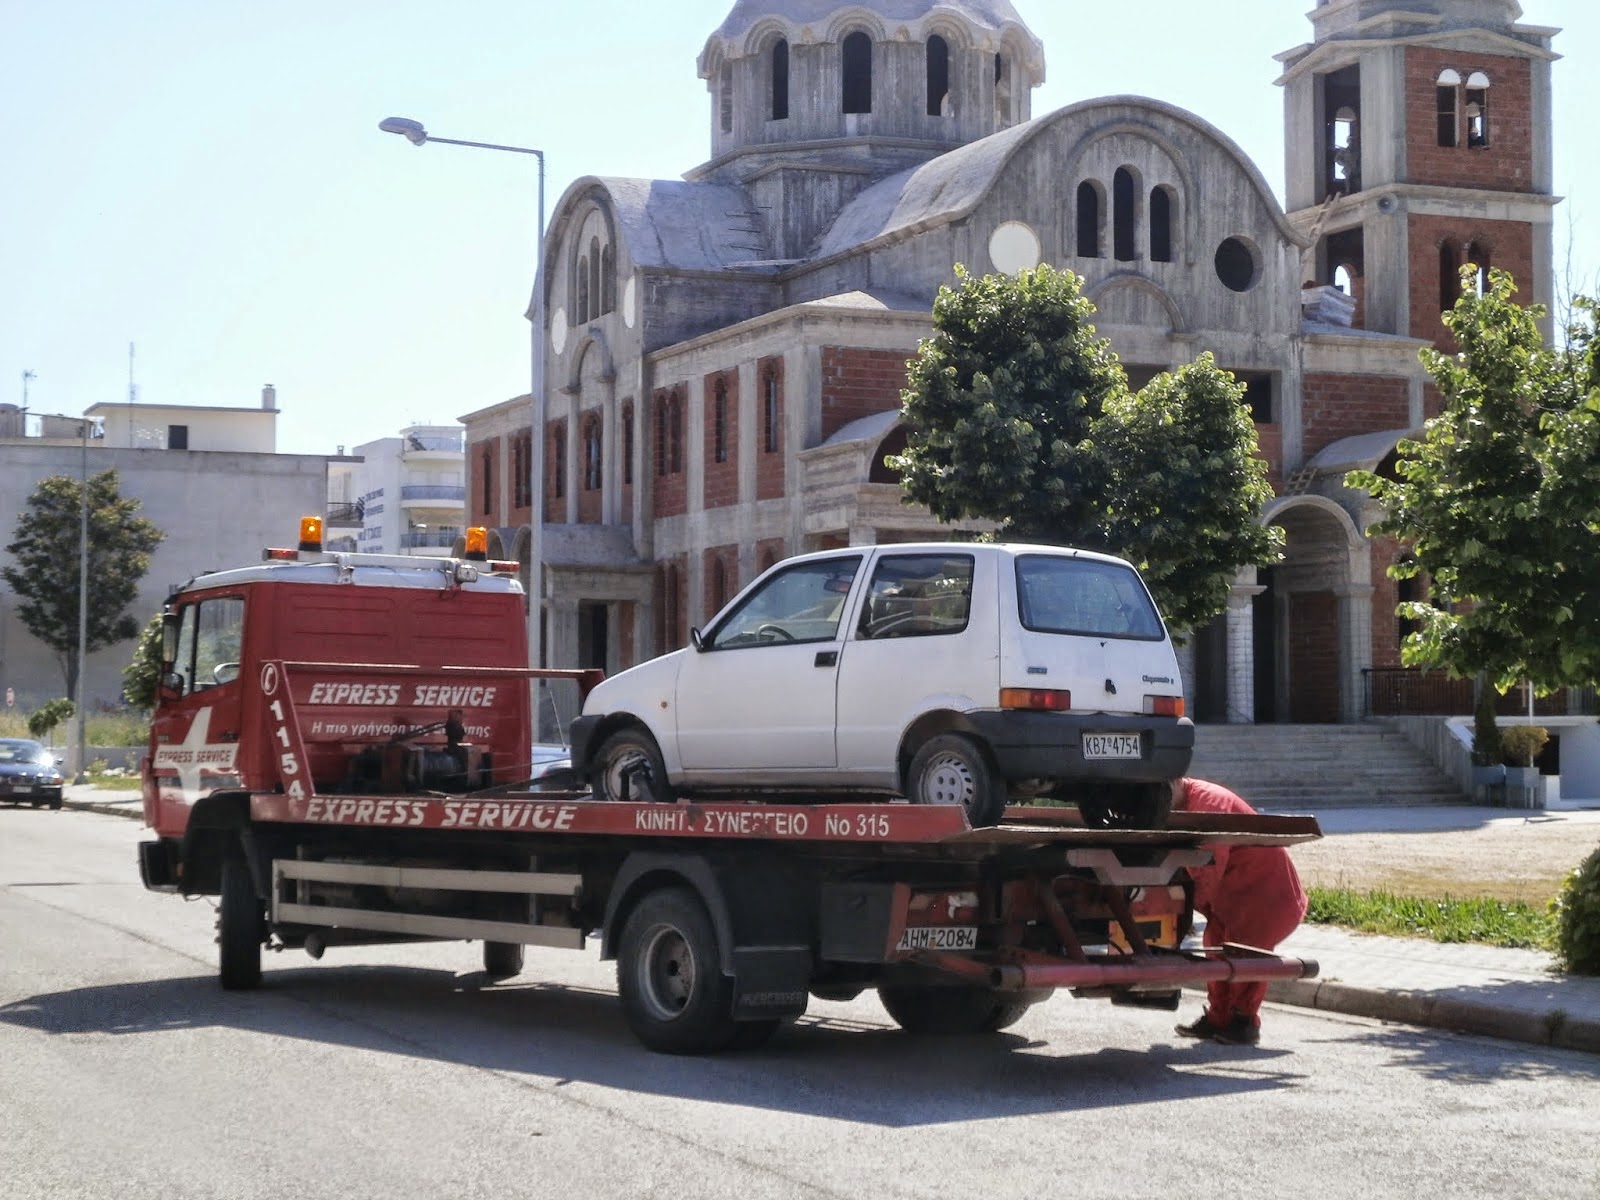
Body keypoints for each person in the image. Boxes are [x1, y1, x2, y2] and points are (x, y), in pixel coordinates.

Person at [1171, 776, 1307, 1046]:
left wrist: (1183, 910)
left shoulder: (1209, 804)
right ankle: (1218, 1018)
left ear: (1176, 782)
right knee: (1216, 947)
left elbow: (1208, 866)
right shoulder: (1186, 802)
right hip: (1235, 897)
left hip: (1267, 895)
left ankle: (1244, 1021)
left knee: (1248, 958)